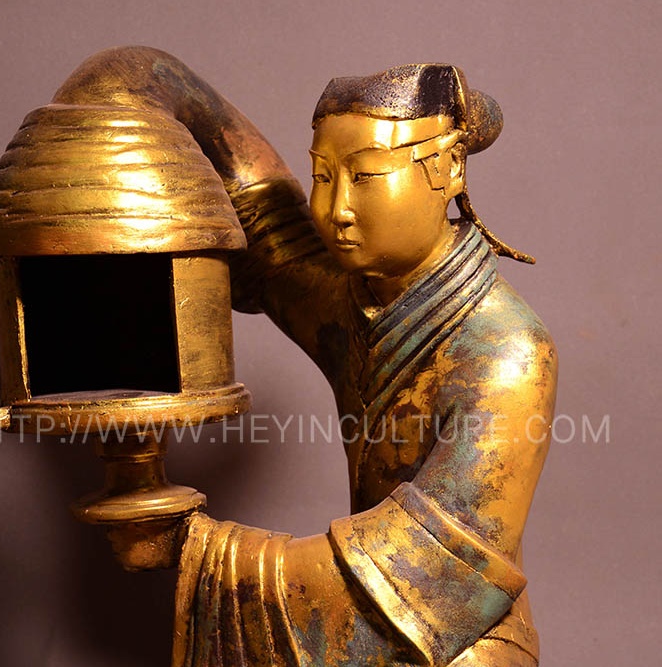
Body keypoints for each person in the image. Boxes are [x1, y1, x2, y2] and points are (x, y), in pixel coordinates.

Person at [58, 48, 557, 666]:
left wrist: (195, 550)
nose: (336, 209)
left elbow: (440, 572)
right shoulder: (353, 304)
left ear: (450, 168)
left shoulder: (508, 351)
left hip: (460, 642)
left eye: (365, 176)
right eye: (323, 176)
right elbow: (270, 238)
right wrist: (155, 86)